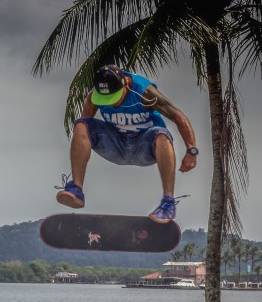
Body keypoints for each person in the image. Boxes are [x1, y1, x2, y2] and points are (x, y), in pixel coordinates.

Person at [56, 64, 198, 222]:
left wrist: (191, 151)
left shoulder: (145, 93)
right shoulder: (94, 97)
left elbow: (179, 117)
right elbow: (84, 130)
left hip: (144, 147)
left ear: (126, 84)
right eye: (106, 100)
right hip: (115, 145)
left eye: (114, 98)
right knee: (81, 124)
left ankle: (168, 203)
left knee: (162, 135)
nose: (112, 104)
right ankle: (77, 189)